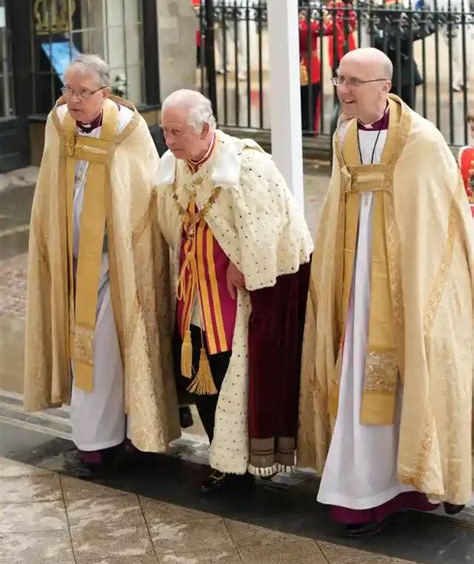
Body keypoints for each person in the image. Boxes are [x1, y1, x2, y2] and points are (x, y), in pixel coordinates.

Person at [298, 47, 473, 537]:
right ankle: (364, 495)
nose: (343, 90)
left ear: (384, 88)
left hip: (409, 291)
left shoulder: (421, 142)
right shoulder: (343, 138)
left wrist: (423, 291)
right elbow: (335, 212)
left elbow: (443, 221)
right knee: (360, 381)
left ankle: (426, 481)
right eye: (340, 79)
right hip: (360, 290)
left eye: (355, 81)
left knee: (421, 376)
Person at [24, 54, 180, 478]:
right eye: (67, 89)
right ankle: (94, 439)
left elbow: (143, 192)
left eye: (83, 92)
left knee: (111, 352)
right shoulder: (58, 124)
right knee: (83, 350)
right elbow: (51, 189)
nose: (73, 100)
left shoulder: (128, 130)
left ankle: (112, 439)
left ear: (105, 93)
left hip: (117, 265)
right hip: (72, 264)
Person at [156, 89, 313, 492]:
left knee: (230, 374)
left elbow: (271, 224)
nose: (168, 142)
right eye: (165, 131)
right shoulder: (174, 163)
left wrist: (247, 265)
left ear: (205, 128)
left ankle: (239, 463)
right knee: (197, 373)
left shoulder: (247, 164)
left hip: (232, 297)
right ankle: (220, 456)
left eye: (176, 132)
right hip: (194, 288)